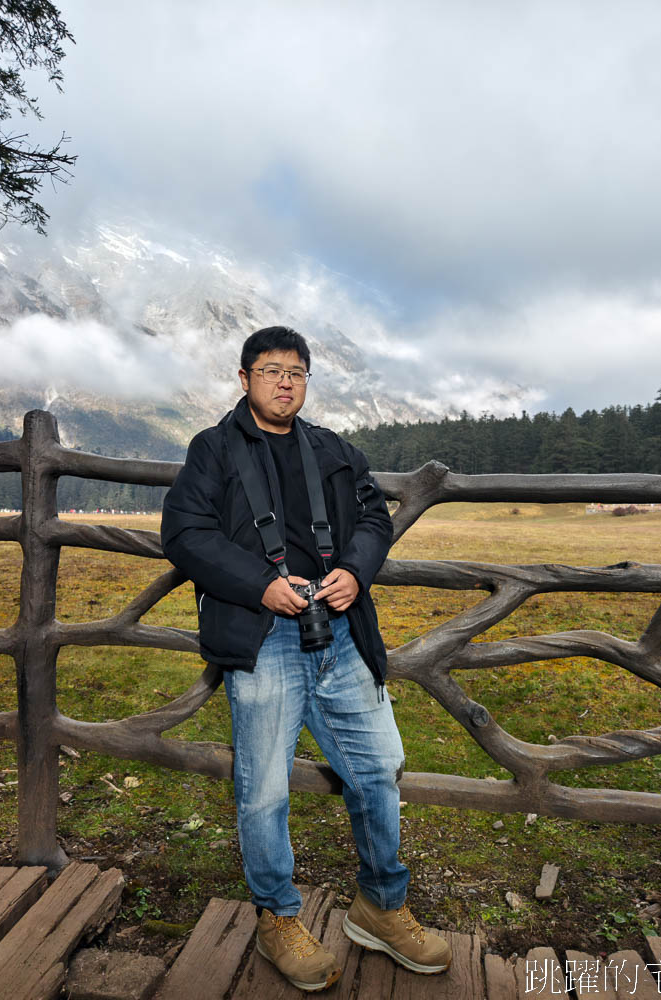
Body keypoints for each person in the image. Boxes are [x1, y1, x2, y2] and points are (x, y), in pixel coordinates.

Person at [161, 326, 451, 992]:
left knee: (379, 768)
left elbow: (375, 518)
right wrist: (260, 584)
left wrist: (355, 568)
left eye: (297, 371)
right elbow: (183, 531)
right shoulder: (212, 450)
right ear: (244, 379)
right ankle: (276, 917)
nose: (285, 381)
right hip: (264, 638)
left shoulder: (335, 450)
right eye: (270, 370)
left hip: (341, 632)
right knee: (263, 792)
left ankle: (380, 904)